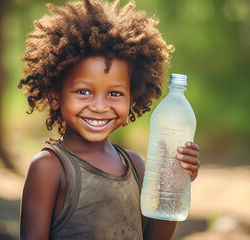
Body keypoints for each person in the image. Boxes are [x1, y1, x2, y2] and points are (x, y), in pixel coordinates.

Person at [18, 0, 201, 239]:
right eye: (84, 91)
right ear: (55, 97)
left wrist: (176, 183)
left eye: (114, 94)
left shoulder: (135, 166)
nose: (99, 106)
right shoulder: (49, 167)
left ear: (132, 99)